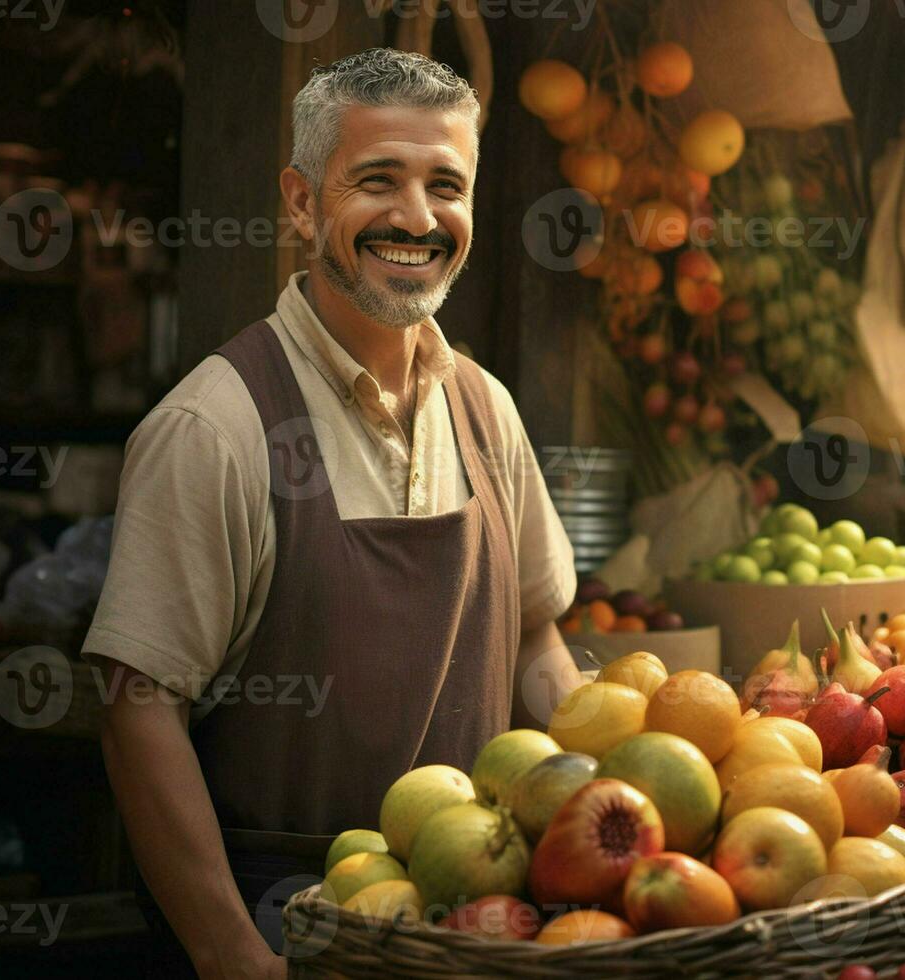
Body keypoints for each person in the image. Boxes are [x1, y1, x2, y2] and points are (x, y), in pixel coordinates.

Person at [84, 49, 580, 979]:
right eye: (377, 180)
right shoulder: (216, 424)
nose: (418, 218)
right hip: (285, 924)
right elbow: (137, 712)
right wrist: (233, 954)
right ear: (304, 203)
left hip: (473, 925)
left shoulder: (485, 406)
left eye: (447, 185)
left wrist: (598, 789)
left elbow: (535, 641)